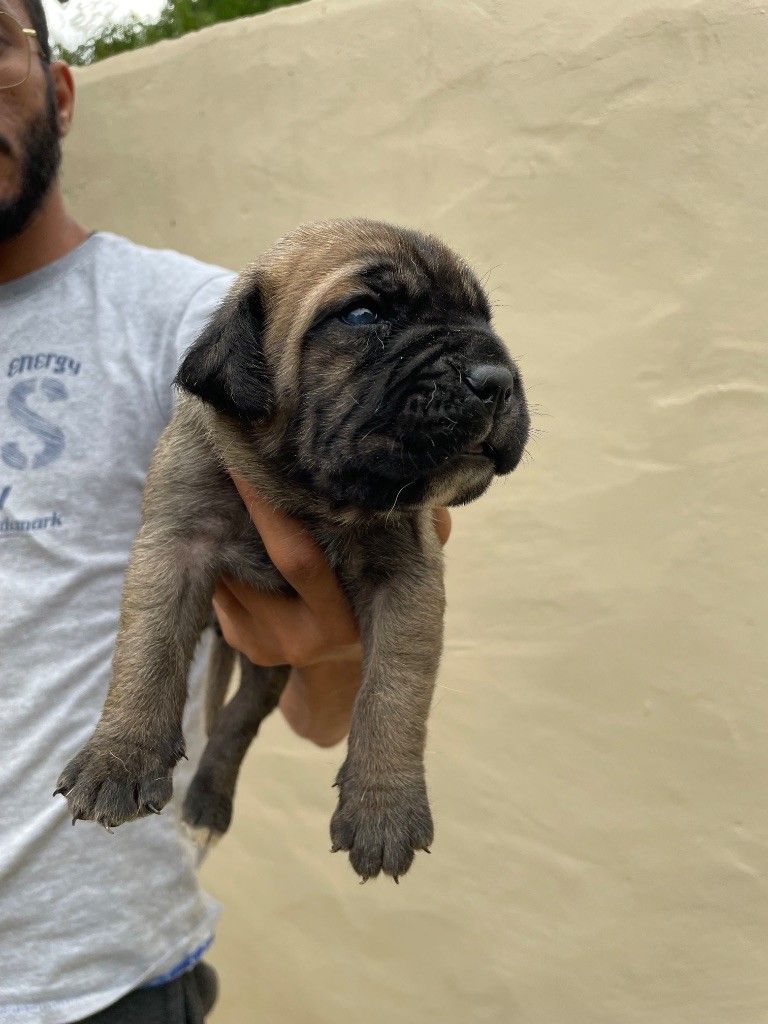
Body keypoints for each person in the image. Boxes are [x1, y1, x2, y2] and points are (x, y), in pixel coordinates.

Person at [0, 2, 452, 1021]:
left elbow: (325, 696)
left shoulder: (196, 323)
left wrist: (335, 648)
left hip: (91, 984)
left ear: (61, 91)